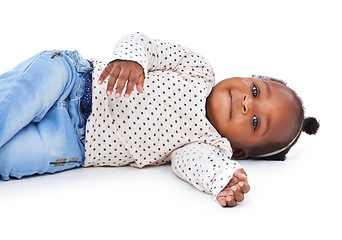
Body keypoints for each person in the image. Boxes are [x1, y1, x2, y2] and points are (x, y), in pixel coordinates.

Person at [0, 33, 319, 207]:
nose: (249, 104)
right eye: (255, 90)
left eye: (255, 124)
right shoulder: (196, 69)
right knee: (16, 103)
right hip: (72, 78)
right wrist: (132, 60)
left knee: (8, 159)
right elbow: (143, 43)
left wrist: (224, 179)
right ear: (249, 77)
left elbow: (198, 167)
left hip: (71, 144)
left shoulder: (203, 146)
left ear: (240, 151)